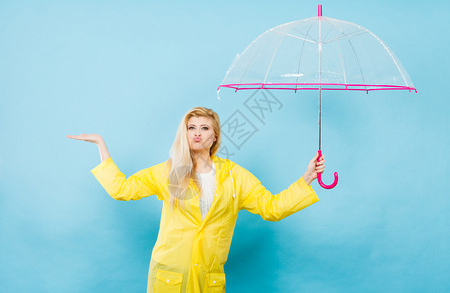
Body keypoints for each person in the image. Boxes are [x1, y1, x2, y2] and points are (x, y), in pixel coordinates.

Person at [67, 106, 325, 293]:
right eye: (191, 128)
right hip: (170, 277)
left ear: (215, 136)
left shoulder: (235, 176)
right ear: (185, 134)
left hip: (208, 279)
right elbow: (121, 189)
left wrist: (307, 178)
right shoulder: (169, 172)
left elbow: (272, 207)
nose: (197, 133)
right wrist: (101, 145)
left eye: (204, 128)